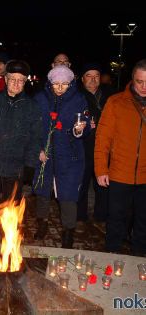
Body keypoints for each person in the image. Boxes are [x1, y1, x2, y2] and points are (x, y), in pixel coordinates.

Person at [0, 60, 42, 243]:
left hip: (15, 166)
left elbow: (35, 138)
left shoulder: (32, 106)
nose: (16, 83)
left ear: (25, 81)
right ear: (5, 79)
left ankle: (8, 241)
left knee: (12, 207)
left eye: (20, 80)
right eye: (12, 79)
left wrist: (29, 165)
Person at [32, 65, 89, 249]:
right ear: (50, 83)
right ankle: (42, 224)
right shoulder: (40, 99)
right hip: (45, 154)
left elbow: (84, 124)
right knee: (42, 191)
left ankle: (68, 233)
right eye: (56, 83)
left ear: (70, 83)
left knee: (68, 197)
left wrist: (79, 129)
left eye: (64, 84)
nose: (59, 88)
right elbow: (32, 128)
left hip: (69, 156)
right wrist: (37, 150)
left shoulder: (78, 99)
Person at [95, 59, 146, 256]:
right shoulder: (116, 102)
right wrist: (101, 170)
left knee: (143, 223)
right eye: (139, 81)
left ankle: (139, 264)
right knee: (116, 221)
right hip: (119, 175)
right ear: (132, 79)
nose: (143, 87)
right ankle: (112, 258)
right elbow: (102, 139)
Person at [76, 62, 115, 234]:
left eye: (96, 76)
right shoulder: (77, 97)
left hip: (105, 148)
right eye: (89, 76)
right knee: (82, 184)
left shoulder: (110, 95)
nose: (93, 80)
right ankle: (80, 218)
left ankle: (101, 218)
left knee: (103, 185)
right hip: (83, 148)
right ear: (82, 79)